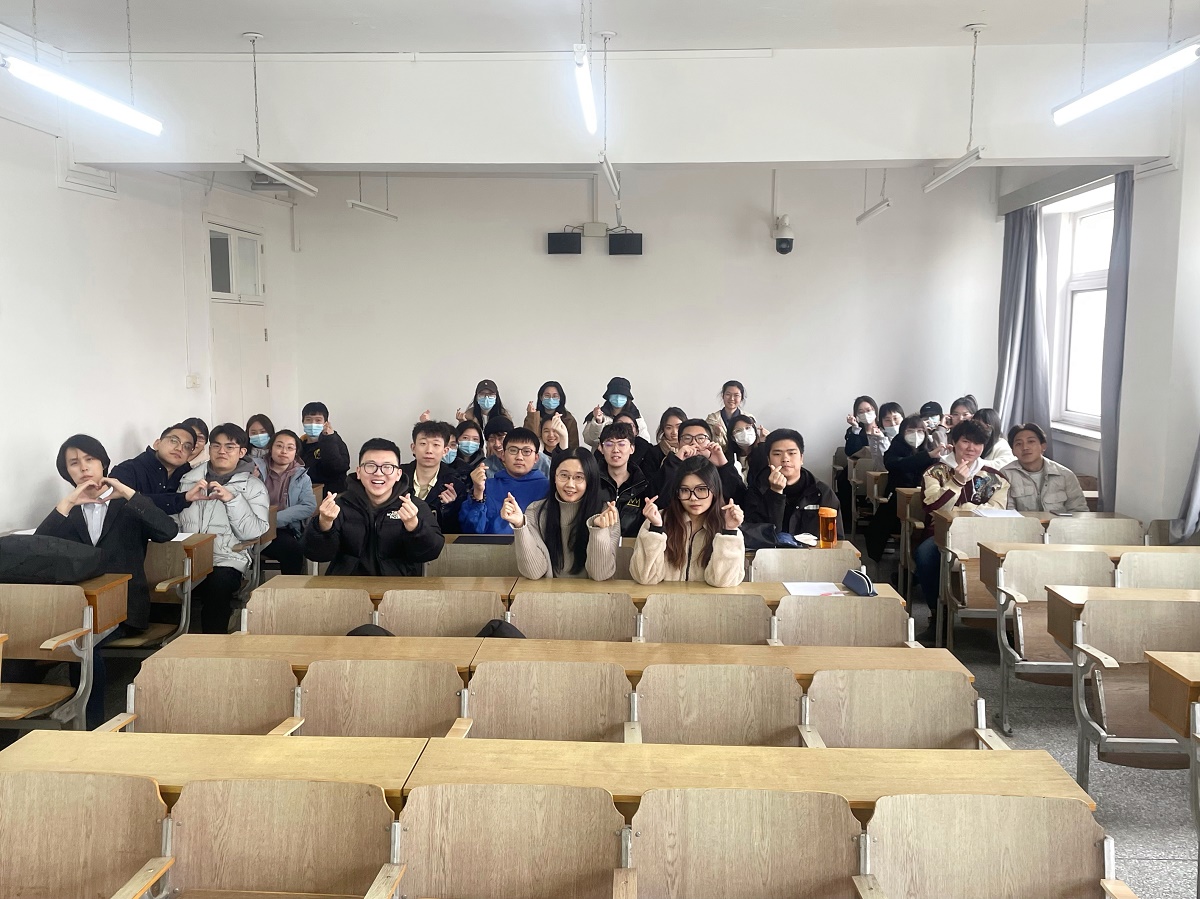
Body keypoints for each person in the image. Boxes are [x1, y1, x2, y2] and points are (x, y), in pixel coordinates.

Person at [34, 435, 178, 727]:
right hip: (78, 608)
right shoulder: (69, 510)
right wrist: (67, 503)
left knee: (84, 645)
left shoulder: (128, 505)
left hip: (123, 607)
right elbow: (37, 550)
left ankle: (90, 725)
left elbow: (168, 531)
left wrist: (128, 493)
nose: (83, 467)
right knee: (43, 644)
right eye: (74, 463)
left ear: (103, 463)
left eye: (90, 459)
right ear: (67, 472)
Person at [913, 419, 1009, 631]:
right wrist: (956, 482)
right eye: (966, 441)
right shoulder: (935, 472)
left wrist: (960, 509)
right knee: (925, 555)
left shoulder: (995, 476)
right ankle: (937, 612)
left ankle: (1007, 620)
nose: (971, 448)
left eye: (978, 443)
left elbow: (997, 510)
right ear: (954, 442)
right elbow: (933, 508)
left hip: (983, 535)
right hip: (942, 534)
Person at [175, 423, 270, 633]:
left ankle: (213, 643)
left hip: (227, 557)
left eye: (230, 447)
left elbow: (254, 532)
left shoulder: (253, 487)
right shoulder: (189, 480)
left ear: (242, 452)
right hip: (187, 556)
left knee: (218, 585)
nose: (222, 451)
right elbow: (175, 519)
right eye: (216, 446)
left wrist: (232, 500)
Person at [304, 438, 445, 576]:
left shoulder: (415, 507)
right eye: (370, 466)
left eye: (387, 467)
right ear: (359, 472)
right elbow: (316, 554)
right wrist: (324, 524)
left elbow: (430, 553)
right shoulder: (339, 505)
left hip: (398, 586)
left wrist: (414, 527)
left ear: (398, 474)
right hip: (348, 585)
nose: (378, 473)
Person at [630, 456, 746, 587]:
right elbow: (644, 577)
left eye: (701, 489)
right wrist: (656, 529)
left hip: (708, 600)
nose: (693, 498)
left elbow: (723, 582)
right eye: (685, 490)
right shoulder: (658, 519)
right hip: (664, 599)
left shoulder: (726, 525)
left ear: (715, 490)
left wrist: (729, 532)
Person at [508, 448, 619, 580]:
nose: (570, 484)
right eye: (564, 475)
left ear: (590, 480)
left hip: (593, 592)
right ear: (554, 477)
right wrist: (520, 525)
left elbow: (600, 575)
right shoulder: (536, 511)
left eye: (579, 477)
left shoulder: (606, 513)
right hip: (548, 591)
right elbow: (534, 573)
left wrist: (598, 530)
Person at [743, 428, 843, 544]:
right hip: (769, 554)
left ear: (801, 458)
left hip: (811, 554)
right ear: (769, 460)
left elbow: (837, 539)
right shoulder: (756, 490)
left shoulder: (821, 492)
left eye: (791, 453)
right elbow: (755, 537)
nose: (785, 459)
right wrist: (775, 493)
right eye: (777, 454)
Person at [864, 415, 942, 562]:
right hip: (897, 498)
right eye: (910, 431)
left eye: (920, 431)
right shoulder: (896, 446)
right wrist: (926, 456)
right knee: (880, 526)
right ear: (902, 432)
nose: (915, 435)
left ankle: (915, 562)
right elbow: (896, 464)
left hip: (924, 499)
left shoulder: (931, 448)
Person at [459, 427, 551, 535]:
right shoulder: (487, 486)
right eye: (513, 450)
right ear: (503, 455)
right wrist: (478, 493)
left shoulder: (547, 488)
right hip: (493, 545)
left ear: (536, 458)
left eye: (526, 451)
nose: (519, 457)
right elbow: (471, 531)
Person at [254, 429, 317, 575]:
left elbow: (309, 506)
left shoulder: (302, 477)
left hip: (285, 530)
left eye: (290, 448)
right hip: (255, 529)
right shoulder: (255, 470)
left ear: (296, 452)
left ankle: (291, 587)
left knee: (292, 549)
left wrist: (274, 519)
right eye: (279, 446)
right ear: (270, 448)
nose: (284, 451)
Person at [650, 418, 746, 506]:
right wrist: (675, 462)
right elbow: (656, 499)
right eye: (687, 438)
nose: (694, 443)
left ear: (710, 442)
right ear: (679, 444)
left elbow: (740, 500)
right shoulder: (671, 465)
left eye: (700, 438)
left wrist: (723, 466)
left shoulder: (720, 466)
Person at [110, 422, 198, 515]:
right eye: (174, 441)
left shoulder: (190, 476)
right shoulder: (127, 470)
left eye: (187, 447)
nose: (179, 448)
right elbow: (122, 507)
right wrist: (181, 499)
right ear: (157, 444)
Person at [1005, 423, 1089, 514]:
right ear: (1013, 451)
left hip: (1059, 523)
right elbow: (1006, 513)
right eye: (1018, 444)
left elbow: (1079, 511)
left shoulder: (1065, 475)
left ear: (1043, 446)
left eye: (1031, 441)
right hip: (1022, 523)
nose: (1025, 447)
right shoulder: (1005, 475)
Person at [401, 420, 465, 534]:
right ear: (413, 448)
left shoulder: (455, 484)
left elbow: (456, 530)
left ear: (445, 450)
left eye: (436, 445)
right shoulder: (397, 477)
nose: (429, 451)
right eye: (423, 444)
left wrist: (449, 508)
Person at [595, 422, 652, 538]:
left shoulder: (643, 486)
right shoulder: (592, 482)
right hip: (597, 545)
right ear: (601, 448)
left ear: (632, 448)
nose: (615, 450)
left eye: (621, 444)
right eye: (609, 444)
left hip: (632, 547)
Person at [299, 402, 351, 495]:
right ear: (303, 422)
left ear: (326, 423)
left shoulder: (334, 441)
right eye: (308, 420)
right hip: (305, 495)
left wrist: (328, 439)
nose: (313, 424)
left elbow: (337, 468)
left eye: (318, 420)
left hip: (332, 495)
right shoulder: (299, 444)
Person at [582, 377, 650, 447]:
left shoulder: (636, 415)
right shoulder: (598, 414)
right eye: (614, 395)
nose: (618, 398)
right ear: (608, 396)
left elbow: (644, 441)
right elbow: (589, 440)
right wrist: (598, 422)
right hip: (603, 453)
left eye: (622, 395)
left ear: (627, 397)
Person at [838, 395, 878, 512]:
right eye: (861, 412)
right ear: (856, 415)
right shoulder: (853, 430)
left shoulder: (884, 429)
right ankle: (848, 515)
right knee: (843, 479)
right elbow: (850, 452)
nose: (865, 414)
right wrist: (855, 429)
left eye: (868, 410)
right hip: (857, 468)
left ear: (875, 410)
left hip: (879, 469)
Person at [523, 380, 580, 449]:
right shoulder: (533, 417)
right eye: (547, 396)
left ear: (560, 398)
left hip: (563, 454)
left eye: (555, 396)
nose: (551, 399)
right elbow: (528, 441)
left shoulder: (568, 419)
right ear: (541, 397)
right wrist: (532, 416)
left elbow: (574, 446)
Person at [705, 380, 756, 448]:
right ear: (722, 396)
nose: (732, 398)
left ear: (741, 397)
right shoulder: (712, 419)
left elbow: (752, 444)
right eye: (728, 394)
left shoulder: (749, 419)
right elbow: (707, 443)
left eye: (736, 395)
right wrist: (717, 435)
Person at [641, 407, 686, 478]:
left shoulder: (693, 450)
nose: (674, 432)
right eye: (669, 428)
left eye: (678, 426)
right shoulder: (653, 453)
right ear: (663, 429)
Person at [728, 413, 765, 485]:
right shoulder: (729, 457)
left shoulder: (763, 452)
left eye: (748, 428)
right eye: (738, 430)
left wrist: (763, 445)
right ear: (732, 437)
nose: (744, 432)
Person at [869, 402, 905, 466]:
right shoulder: (877, 438)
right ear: (881, 422)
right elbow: (881, 463)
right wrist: (881, 439)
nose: (893, 423)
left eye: (895, 418)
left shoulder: (909, 436)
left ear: (903, 418)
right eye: (887, 420)